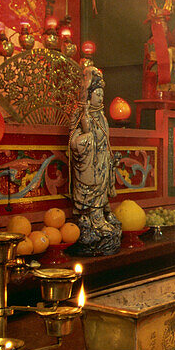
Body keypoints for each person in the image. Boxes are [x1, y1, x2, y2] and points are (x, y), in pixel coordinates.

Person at [66, 67, 121, 256]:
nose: (100, 97)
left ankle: (98, 219)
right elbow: (74, 140)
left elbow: (105, 141)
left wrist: (109, 158)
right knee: (89, 190)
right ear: (88, 95)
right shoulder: (80, 114)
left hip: (101, 163)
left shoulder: (102, 116)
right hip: (86, 164)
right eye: (97, 94)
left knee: (101, 190)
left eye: (102, 94)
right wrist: (87, 136)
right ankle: (88, 220)